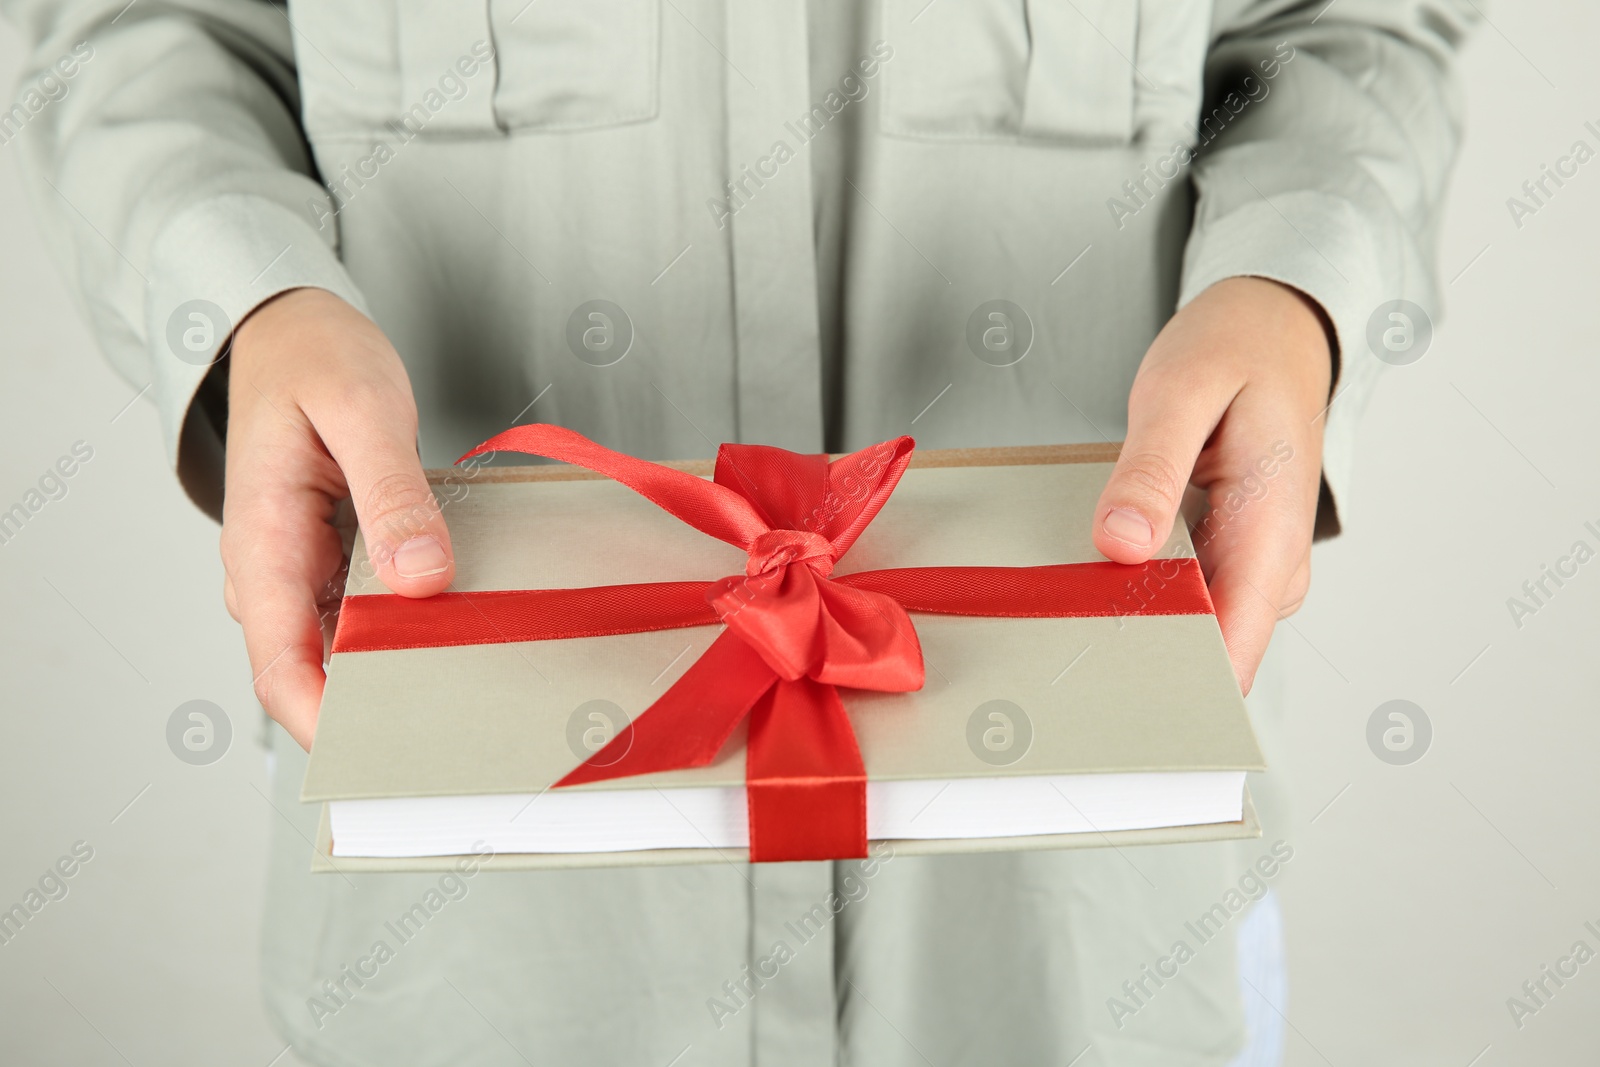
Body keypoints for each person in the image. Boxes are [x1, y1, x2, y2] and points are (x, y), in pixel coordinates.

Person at [4, 1, 1471, 1063]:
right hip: (479, 963)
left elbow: (1350, 30)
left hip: (1086, 942)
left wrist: (1294, 287)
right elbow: (138, 31)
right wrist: (244, 297)